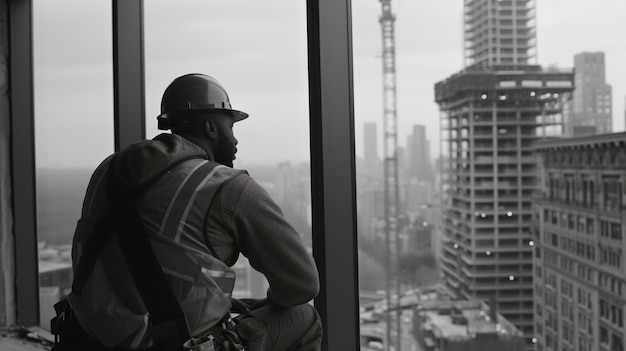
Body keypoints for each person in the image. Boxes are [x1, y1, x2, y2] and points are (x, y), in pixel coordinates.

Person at [67, 73, 322, 350]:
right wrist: (268, 302)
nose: (235, 141)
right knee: (303, 317)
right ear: (211, 128)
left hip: (90, 341)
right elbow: (302, 284)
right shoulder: (227, 185)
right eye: (231, 127)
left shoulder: (108, 171)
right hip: (171, 345)